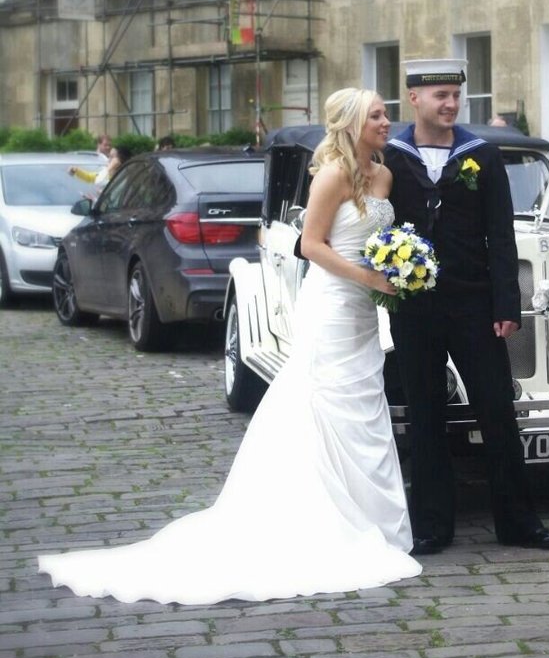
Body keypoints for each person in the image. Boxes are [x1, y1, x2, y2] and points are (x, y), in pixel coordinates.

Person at [38, 89, 421, 604]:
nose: (386, 120)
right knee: (328, 403)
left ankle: (373, 518)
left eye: (384, 113)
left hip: (361, 314)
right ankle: (321, 519)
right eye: (376, 114)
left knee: (365, 403)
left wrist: (395, 268)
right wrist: (369, 278)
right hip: (331, 304)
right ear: (352, 123)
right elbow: (310, 246)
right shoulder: (331, 175)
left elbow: (379, 239)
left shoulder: (384, 174)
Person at [384, 58, 549, 557]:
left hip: (475, 304)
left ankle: (518, 522)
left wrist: (507, 304)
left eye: (455, 94)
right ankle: (432, 526)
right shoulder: (391, 157)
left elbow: (501, 235)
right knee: (425, 415)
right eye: (439, 94)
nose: (450, 103)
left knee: (496, 410)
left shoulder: (480, 154)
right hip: (414, 308)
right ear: (414, 98)